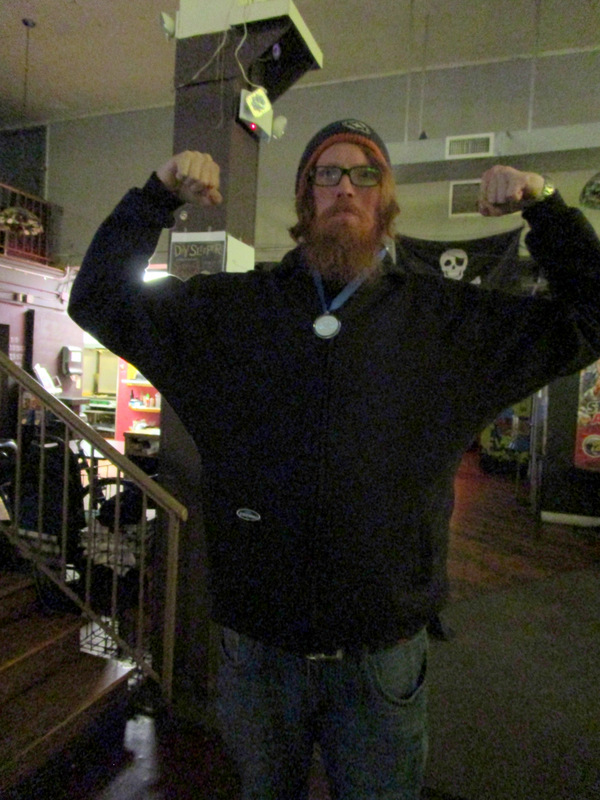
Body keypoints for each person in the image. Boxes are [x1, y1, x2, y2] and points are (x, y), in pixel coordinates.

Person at [68, 118, 600, 800]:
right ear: (306, 198)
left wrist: (547, 208)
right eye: (327, 173)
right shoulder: (233, 312)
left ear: (385, 200)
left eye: (365, 174)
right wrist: (156, 196)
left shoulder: (446, 322)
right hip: (258, 654)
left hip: (381, 661)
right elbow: (100, 298)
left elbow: (591, 318)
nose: (346, 187)